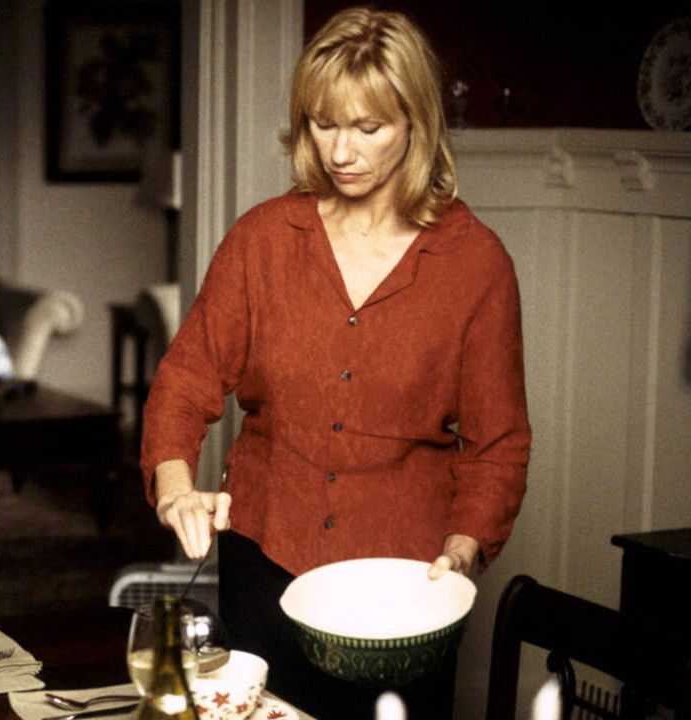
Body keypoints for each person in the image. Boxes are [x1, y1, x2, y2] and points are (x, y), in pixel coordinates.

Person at [140, 7, 530, 718]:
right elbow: (186, 378)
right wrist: (175, 489)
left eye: (368, 128)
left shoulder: (476, 263)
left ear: (415, 125)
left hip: (405, 583)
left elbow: (498, 444)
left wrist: (462, 552)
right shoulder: (262, 240)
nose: (340, 152)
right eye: (323, 124)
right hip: (267, 557)